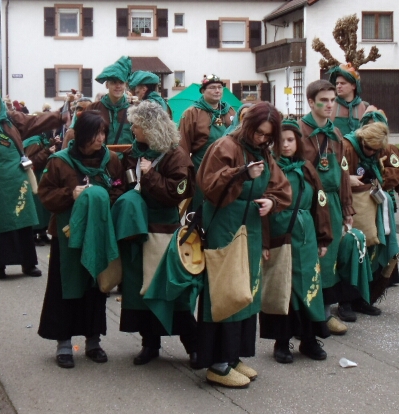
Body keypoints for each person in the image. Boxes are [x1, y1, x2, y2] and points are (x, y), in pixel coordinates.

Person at [196, 102, 292, 388]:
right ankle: (218, 363)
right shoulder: (225, 146)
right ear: (248, 126)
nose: (262, 139)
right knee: (226, 290)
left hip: (250, 227)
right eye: (259, 133)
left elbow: (280, 186)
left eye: (268, 136)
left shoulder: (262, 152)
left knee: (247, 290)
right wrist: (240, 174)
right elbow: (208, 186)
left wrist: (271, 201)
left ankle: (234, 356)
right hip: (224, 226)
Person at [112, 101, 197, 365]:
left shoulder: (175, 155)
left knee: (171, 291)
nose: (133, 130)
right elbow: (123, 184)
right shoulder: (133, 153)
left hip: (163, 231)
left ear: (150, 128)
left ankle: (194, 346)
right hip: (137, 230)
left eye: (137, 125)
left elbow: (176, 193)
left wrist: (149, 175)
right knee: (141, 291)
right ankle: (150, 344)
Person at [37, 112, 124, 368]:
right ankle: (64, 344)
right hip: (66, 237)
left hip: (98, 233)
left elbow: (119, 188)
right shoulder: (59, 162)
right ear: (83, 134)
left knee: (94, 287)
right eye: (96, 134)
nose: (101, 138)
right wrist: (70, 194)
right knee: (65, 288)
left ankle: (93, 342)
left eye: (103, 133)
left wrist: (100, 199)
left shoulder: (111, 160)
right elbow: (45, 194)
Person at [0, 89, 64, 279]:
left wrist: (61, 115)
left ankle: (28, 264)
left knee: (21, 221)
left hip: (17, 182)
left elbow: (35, 121)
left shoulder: (12, 120)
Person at [259, 119, 332, 364]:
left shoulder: (308, 169)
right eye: (281, 141)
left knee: (308, 287)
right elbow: (260, 208)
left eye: (291, 140)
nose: (286, 145)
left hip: (306, 237)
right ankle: (282, 342)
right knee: (283, 288)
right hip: (279, 235)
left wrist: (323, 238)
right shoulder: (268, 169)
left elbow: (320, 203)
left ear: (298, 142)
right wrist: (264, 243)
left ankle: (309, 340)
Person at [299, 80, 357, 335]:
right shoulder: (298, 132)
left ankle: (324, 312)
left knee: (329, 258)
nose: (330, 105)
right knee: (307, 257)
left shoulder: (336, 134)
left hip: (332, 202)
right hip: (308, 203)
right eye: (324, 100)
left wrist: (347, 208)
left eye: (333, 100)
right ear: (311, 102)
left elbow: (343, 173)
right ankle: (305, 316)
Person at [343, 120, 397, 313]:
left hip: (370, 206)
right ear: (362, 140)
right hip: (351, 207)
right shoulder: (347, 147)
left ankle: (362, 299)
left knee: (370, 253)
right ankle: (345, 302)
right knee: (351, 252)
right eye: (368, 148)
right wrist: (347, 180)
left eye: (376, 150)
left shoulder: (377, 151)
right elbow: (333, 177)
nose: (371, 153)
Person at [359, 110, 399, 288]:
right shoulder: (358, 149)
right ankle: (368, 272)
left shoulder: (391, 150)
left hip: (384, 199)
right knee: (370, 236)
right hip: (364, 201)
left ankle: (387, 274)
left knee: (387, 234)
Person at [178, 74, 236, 210]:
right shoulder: (191, 113)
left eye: (220, 87)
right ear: (203, 91)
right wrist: (184, 172)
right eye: (212, 87)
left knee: (224, 203)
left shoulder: (230, 111)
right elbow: (182, 146)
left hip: (227, 166)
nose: (217, 91)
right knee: (200, 207)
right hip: (201, 167)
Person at [63, 56, 134, 146]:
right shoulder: (92, 109)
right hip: (100, 155)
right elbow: (77, 136)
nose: (118, 86)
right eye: (114, 82)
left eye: (121, 82)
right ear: (107, 85)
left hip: (127, 155)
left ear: (125, 85)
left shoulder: (133, 111)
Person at [327, 63, 371, 136]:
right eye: (337, 83)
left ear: (353, 86)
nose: (338, 86)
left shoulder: (365, 107)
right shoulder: (330, 105)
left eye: (343, 83)